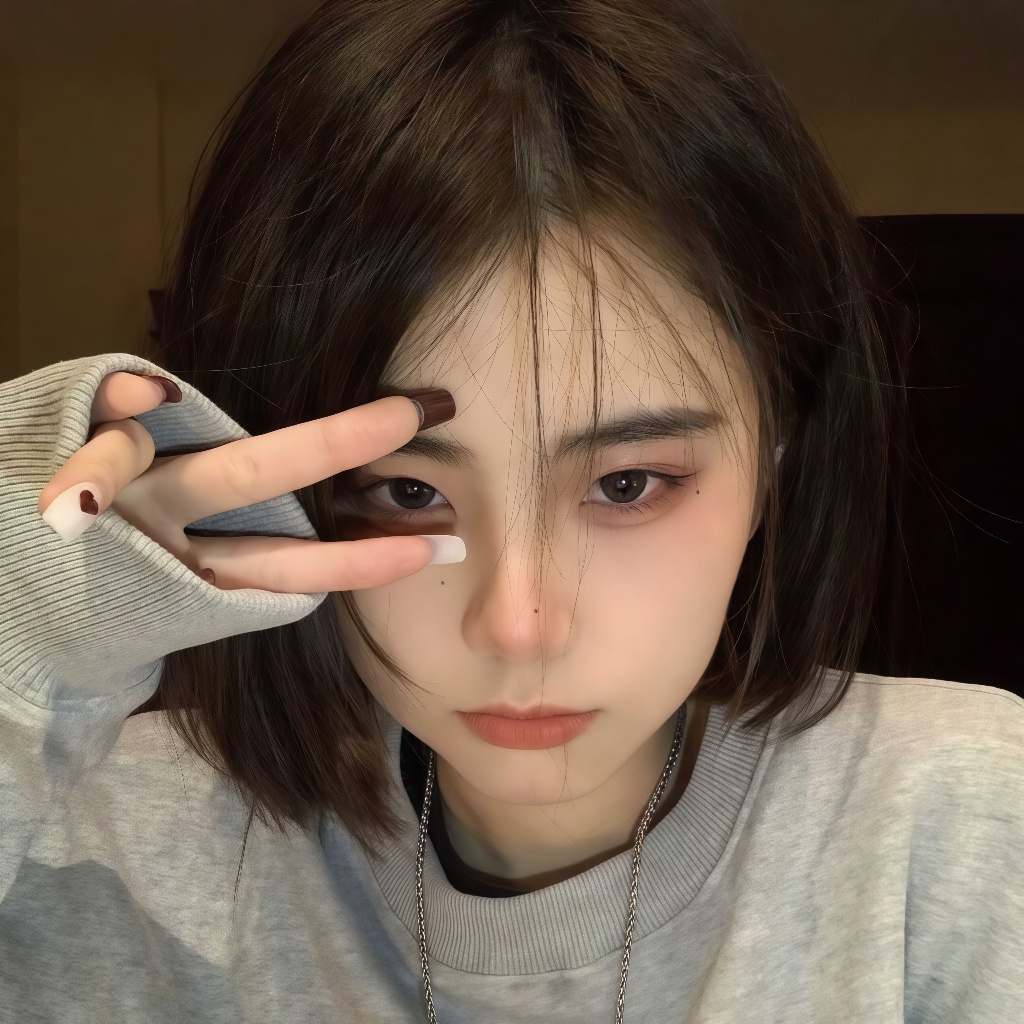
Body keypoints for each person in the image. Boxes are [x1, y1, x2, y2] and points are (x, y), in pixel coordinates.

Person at [0, 1, 1021, 1021]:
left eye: (626, 484)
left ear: (773, 461)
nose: (519, 625)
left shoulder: (955, 825)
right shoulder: (101, 835)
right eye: (406, 491)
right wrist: (19, 619)